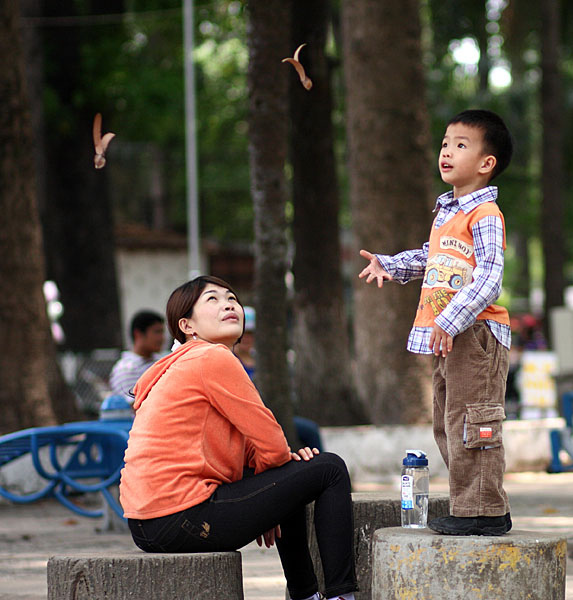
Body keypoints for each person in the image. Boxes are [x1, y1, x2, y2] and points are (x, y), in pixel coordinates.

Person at [119, 276, 357, 600]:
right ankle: (341, 595)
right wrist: (276, 479)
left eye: (232, 297)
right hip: (183, 516)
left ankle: (307, 595)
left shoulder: (178, 364)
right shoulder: (212, 358)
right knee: (328, 468)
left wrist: (273, 494)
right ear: (187, 325)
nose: (228, 304)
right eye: (213, 300)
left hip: (146, 524)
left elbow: (255, 454)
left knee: (290, 472)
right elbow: (272, 443)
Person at [359, 109, 513, 536]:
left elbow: (489, 276)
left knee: (474, 424)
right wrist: (392, 265)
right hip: (449, 334)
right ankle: (470, 506)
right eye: (445, 143)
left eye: (461, 145)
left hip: (474, 333)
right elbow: (434, 260)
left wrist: (449, 319)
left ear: (486, 163)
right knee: (447, 423)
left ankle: (485, 511)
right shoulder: (447, 214)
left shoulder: (485, 214)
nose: (446, 151)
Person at [236, 306, 324, 451]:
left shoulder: (265, 361)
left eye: (251, 334)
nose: (247, 338)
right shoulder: (230, 361)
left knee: (311, 431)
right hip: (251, 420)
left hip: (275, 414)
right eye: (243, 334)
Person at [109, 310, 165, 402]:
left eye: (162, 332)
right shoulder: (126, 369)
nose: (162, 338)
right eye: (157, 332)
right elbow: (135, 407)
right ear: (138, 334)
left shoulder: (162, 361)